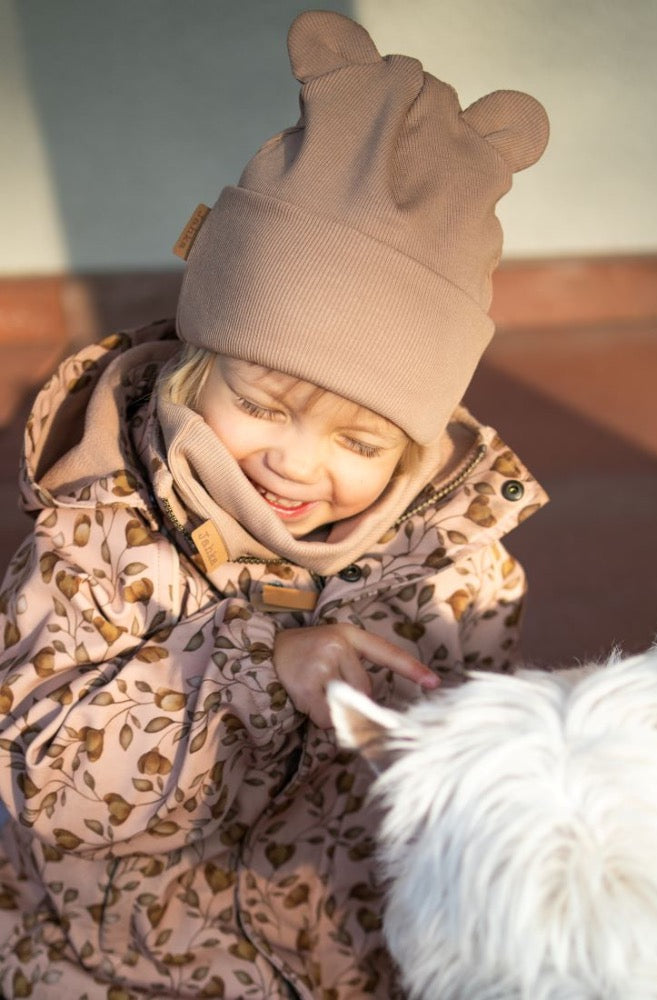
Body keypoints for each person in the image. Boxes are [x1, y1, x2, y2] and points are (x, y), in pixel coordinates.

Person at [0, 10, 549, 999]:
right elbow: (50, 790)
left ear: (416, 445)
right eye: (262, 405)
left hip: (352, 948)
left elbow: (472, 795)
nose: (298, 465)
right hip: (118, 945)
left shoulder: (452, 562)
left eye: (359, 441)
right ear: (194, 363)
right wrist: (257, 667)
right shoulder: (98, 531)